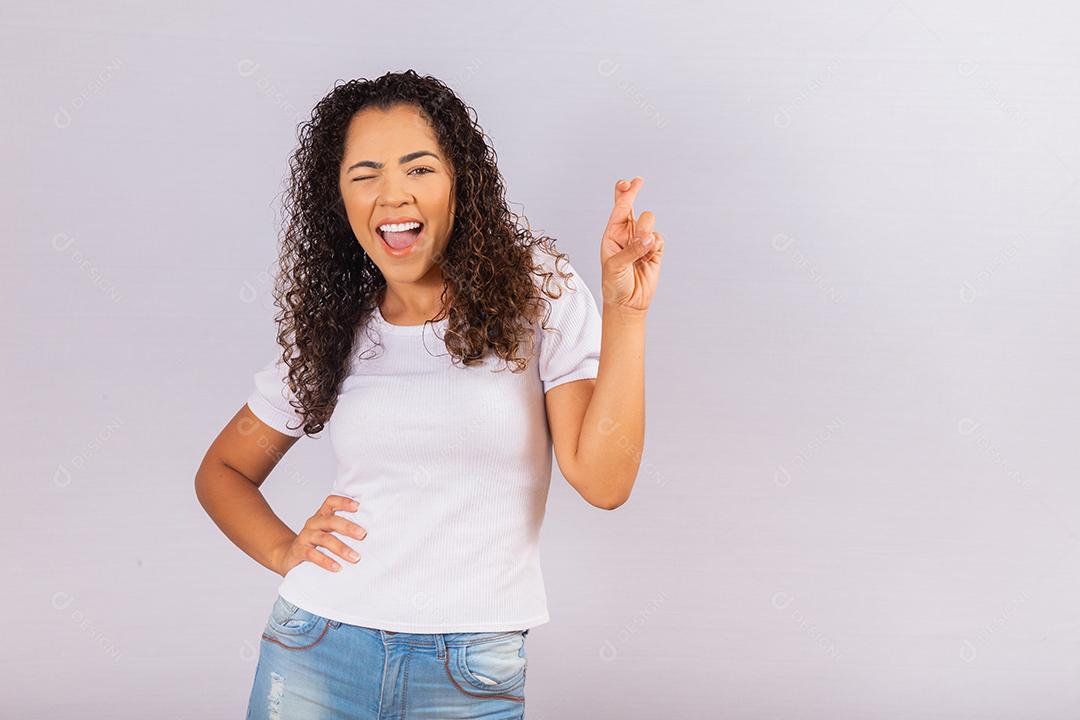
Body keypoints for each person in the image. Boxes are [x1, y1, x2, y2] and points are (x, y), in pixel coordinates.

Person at [194, 69, 665, 719]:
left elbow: (604, 480)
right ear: (339, 199)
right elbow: (222, 471)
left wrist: (626, 314)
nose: (393, 195)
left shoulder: (537, 291)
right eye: (365, 175)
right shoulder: (335, 326)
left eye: (419, 169)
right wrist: (283, 549)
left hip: (469, 665)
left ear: (459, 183)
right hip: (317, 648)